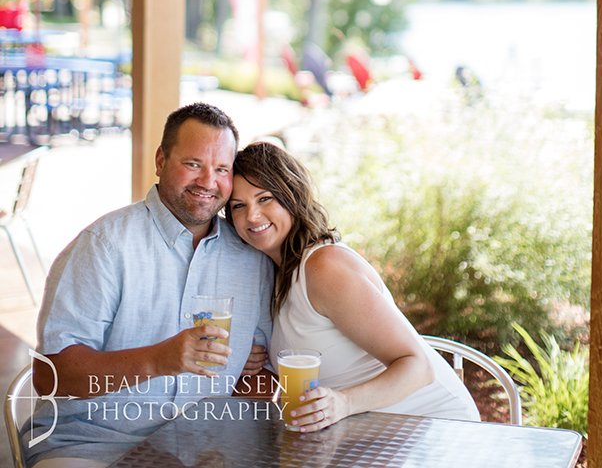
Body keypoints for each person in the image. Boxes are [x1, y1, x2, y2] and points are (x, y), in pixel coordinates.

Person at [27, 102, 273, 467]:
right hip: (93, 444)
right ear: (161, 160)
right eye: (193, 164)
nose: (208, 182)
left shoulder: (252, 259)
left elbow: (258, 375)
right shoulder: (105, 245)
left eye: (221, 169)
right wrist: (159, 360)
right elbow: (52, 376)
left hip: (206, 448)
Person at [227, 142, 479, 432]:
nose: (252, 216)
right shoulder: (277, 275)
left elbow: (418, 366)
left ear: (292, 196)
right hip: (368, 431)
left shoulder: (324, 267)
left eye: (265, 198)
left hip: (434, 428)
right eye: (238, 206)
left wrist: (343, 403)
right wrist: (246, 360)